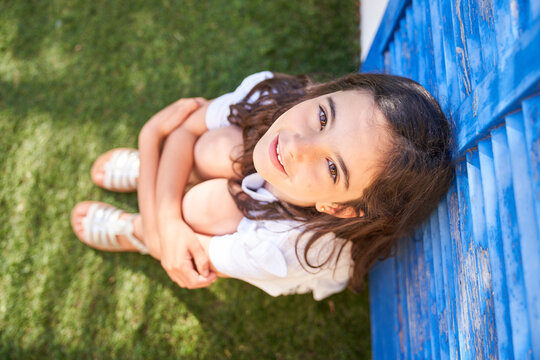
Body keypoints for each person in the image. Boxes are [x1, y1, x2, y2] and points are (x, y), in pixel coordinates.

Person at [70, 71, 454, 300]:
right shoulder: (275, 95)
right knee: (213, 146)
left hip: (271, 227)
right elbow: (189, 128)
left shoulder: (285, 250)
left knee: (201, 208)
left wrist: (150, 138)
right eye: (323, 115)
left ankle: (132, 228)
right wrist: (166, 215)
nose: (295, 146)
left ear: (340, 207)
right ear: (326, 93)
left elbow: (170, 251)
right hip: (259, 189)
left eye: (333, 169)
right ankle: (165, 177)